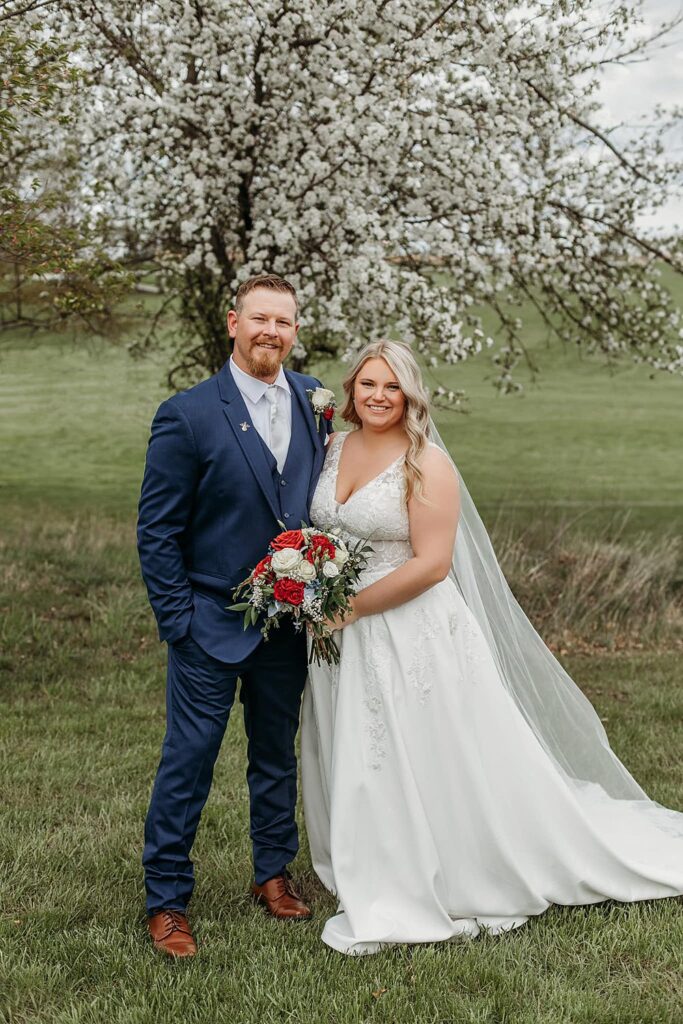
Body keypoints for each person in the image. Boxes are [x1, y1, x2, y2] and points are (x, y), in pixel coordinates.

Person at [301, 339, 683, 956]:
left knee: (423, 748)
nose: (377, 396)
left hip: (407, 629)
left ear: (410, 395)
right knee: (357, 744)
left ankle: (452, 864)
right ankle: (364, 853)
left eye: (391, 387)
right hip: (339, 635)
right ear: (351, 390)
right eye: (368, 383)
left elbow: (431, 565)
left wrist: (346, 607)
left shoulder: (428, 463)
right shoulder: (333, 448)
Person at [137, 274, 332, 957]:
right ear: (232, 323)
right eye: (258, 318)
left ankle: (271, 874)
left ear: (294, 331)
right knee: (188, 761)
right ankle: (166, 899)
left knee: (275, 756)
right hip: (206, 623)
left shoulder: (316, 402)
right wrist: (178, 621)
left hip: (286, 623)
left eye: (283, 321)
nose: (270, 332)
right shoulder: (188, 413)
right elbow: (156, 530)